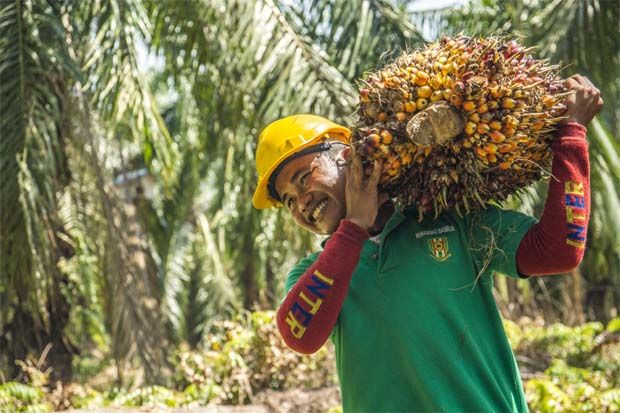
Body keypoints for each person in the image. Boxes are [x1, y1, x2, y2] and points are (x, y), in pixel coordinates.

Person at [252, 75, 603, 412]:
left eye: (303, 178)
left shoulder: (449, 219)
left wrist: (571, 136)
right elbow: (300, 336)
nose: (300, 203)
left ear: (345, 155)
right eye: (287, 200)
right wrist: (354, 228)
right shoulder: (312, 275)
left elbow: (559, 250)